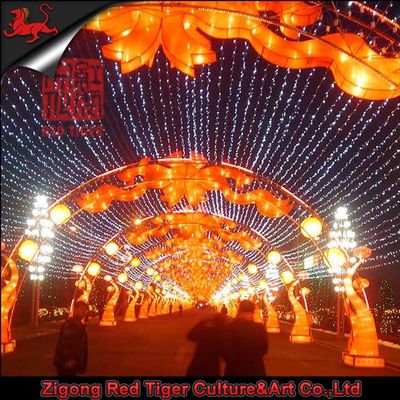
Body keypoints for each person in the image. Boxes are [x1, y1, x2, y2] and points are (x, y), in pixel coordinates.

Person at [222, 299, 268, 376]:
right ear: (253, 312)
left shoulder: (230, 327)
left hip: (234, 370)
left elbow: (225, 351)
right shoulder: (260, 328)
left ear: (239, 311)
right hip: (255, 369)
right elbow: (264, 350)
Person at [54, 301, 89, 376]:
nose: (84, 311)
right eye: (82, 309)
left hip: (68, 362)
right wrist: (71, 359)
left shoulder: (76, 323)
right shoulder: (72, 323)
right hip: (67, 363)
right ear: (75, 310)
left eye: (86, 309)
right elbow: (67, 343)